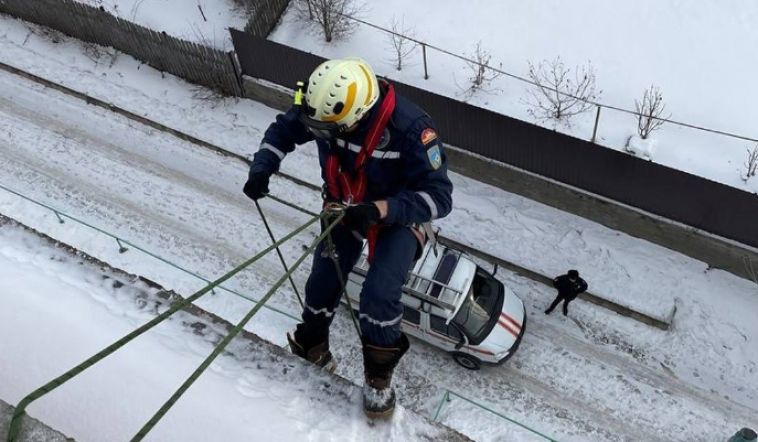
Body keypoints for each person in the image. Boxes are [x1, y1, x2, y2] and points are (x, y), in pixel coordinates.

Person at [243, 57, 453, 418]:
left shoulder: (411, 129)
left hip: (397, 218)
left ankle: (378, 380)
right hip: (344, 204)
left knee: (379, 295)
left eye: (330, 131)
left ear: (359, 114)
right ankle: (312, 344)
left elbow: (439, 197)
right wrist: (262, 167)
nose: (322, 136)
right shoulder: (326, 112)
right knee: (323, 278)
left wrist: (380, 210)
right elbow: (284, 131)